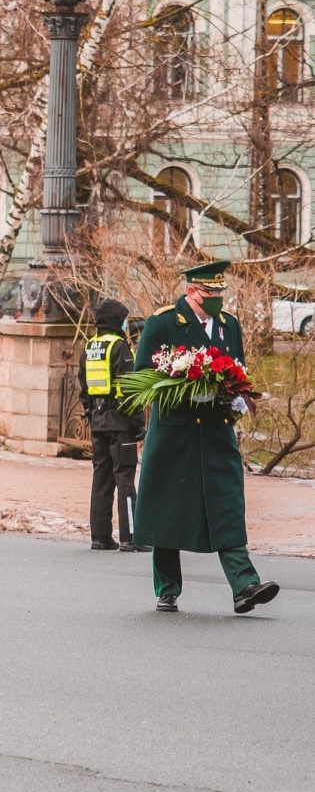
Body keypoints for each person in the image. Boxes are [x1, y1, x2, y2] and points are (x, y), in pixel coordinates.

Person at [133, 261, 279, 614]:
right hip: (175, 435)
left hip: (216, 432)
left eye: (219, 293)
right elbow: (142, 378)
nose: (216, 299)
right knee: (168, 510)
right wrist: (186, 393)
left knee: (226, 504)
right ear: (191, 292)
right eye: (209, 293)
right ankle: (167, 588)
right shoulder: (164, 322)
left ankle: (245, 585)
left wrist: (241, 397)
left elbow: (238, 370)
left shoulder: (229, 326)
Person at [80, 298, 148, 552]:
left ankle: (100, 536)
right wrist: (137, 422)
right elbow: (128, 388)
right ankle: (131, 537)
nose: (126, 323)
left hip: (98, 422)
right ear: (116, 321)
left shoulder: (91, 346)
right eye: (123, 319)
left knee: (101, 479)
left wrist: (89, 411)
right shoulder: (119, 347)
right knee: (125, 479)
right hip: (120, 424)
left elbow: (83, 385)